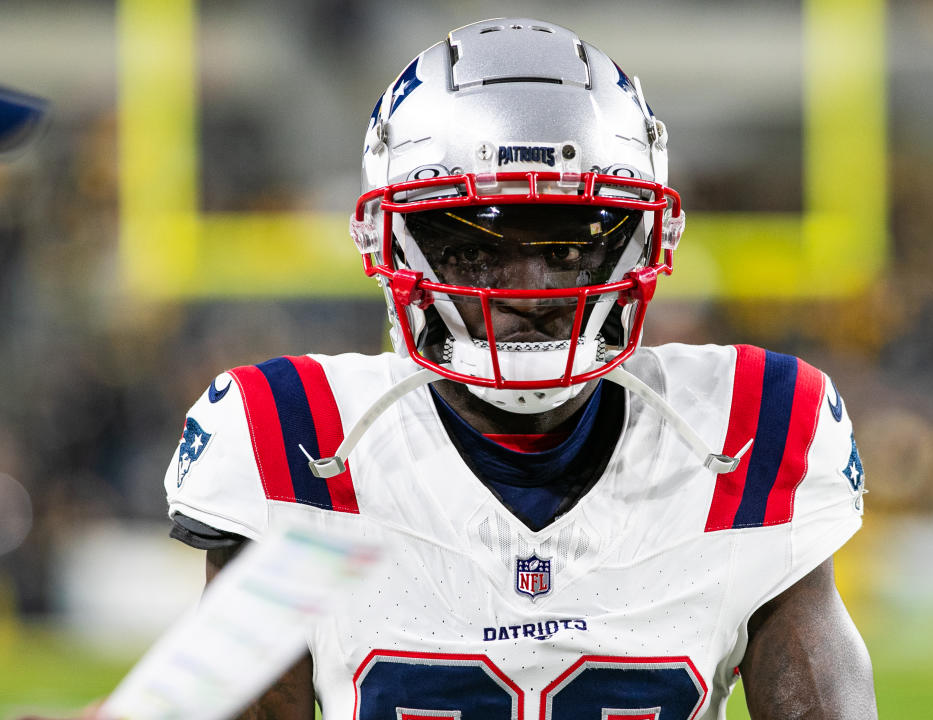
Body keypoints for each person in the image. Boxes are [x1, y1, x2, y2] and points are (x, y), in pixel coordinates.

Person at [49, 16, 878, 719]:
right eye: (478, 243)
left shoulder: (748, 433)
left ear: (643, 240)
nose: (531, 287)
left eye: (572, 240)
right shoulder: (297, 443)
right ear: (390, 241)